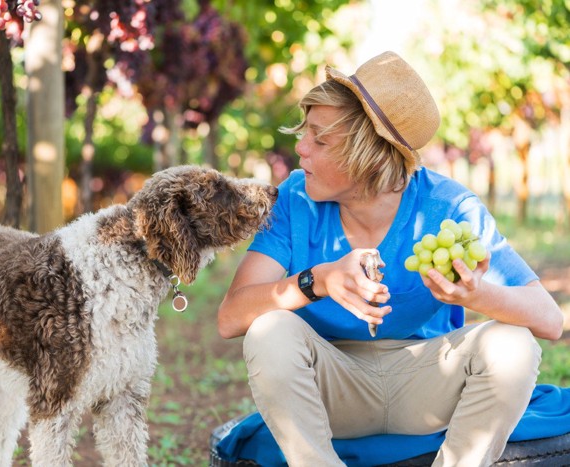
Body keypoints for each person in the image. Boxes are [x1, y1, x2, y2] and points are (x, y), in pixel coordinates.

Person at [217, 51, 564, 467]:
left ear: (371, 155)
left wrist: (475, 293)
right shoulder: (294, 199)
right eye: (305, 133)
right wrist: (317, 281)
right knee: (269, 330)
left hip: (427, 386)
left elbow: (549, 319)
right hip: (334, 388)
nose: (301, 148)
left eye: (320, 139)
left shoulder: (448, 206)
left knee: (512, 343)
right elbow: (231, 317)